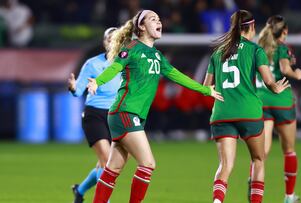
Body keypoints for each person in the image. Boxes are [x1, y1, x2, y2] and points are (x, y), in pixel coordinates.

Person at [86, 10, 223, 203]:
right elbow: (115, 67)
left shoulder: (157, 56)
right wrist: (97, 82)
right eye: (153, 19)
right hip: (125, 112)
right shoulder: (132, 48)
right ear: (141, 27)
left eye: (159, 19)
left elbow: (177, 76)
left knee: (113, 169)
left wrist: (205, 90)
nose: (159, 21)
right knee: (148, 164)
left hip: (127, 115)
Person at [203, 10, 289, 203]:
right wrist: (276, 87)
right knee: (258, 160)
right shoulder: (255, 50)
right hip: (248, 113)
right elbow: (268, 81)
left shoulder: (218, 52)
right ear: (251, 27)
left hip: (222, 114)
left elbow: (206, 87)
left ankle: (217, 201)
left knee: (225, 165)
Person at [67, 27, 119, 203]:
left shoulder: (126, 64)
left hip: (115, 116)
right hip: (94, 115)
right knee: (107, 161)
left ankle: (80, 191)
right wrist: (74, 88)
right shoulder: (92, 64)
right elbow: (78, 90)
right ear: (104, 43)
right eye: (109, 39)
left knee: (102, 164)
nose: (112, 42)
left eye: (116, 39)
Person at [256, 15, 301, 203]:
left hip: (261, 101)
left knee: (261, 153)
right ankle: (289, 196)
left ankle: (254, 182)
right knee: (289, 149)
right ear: (283, 32)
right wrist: (297, 74)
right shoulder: (282, 48)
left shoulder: (258, 48)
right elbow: (284, 69)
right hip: (281, 101)